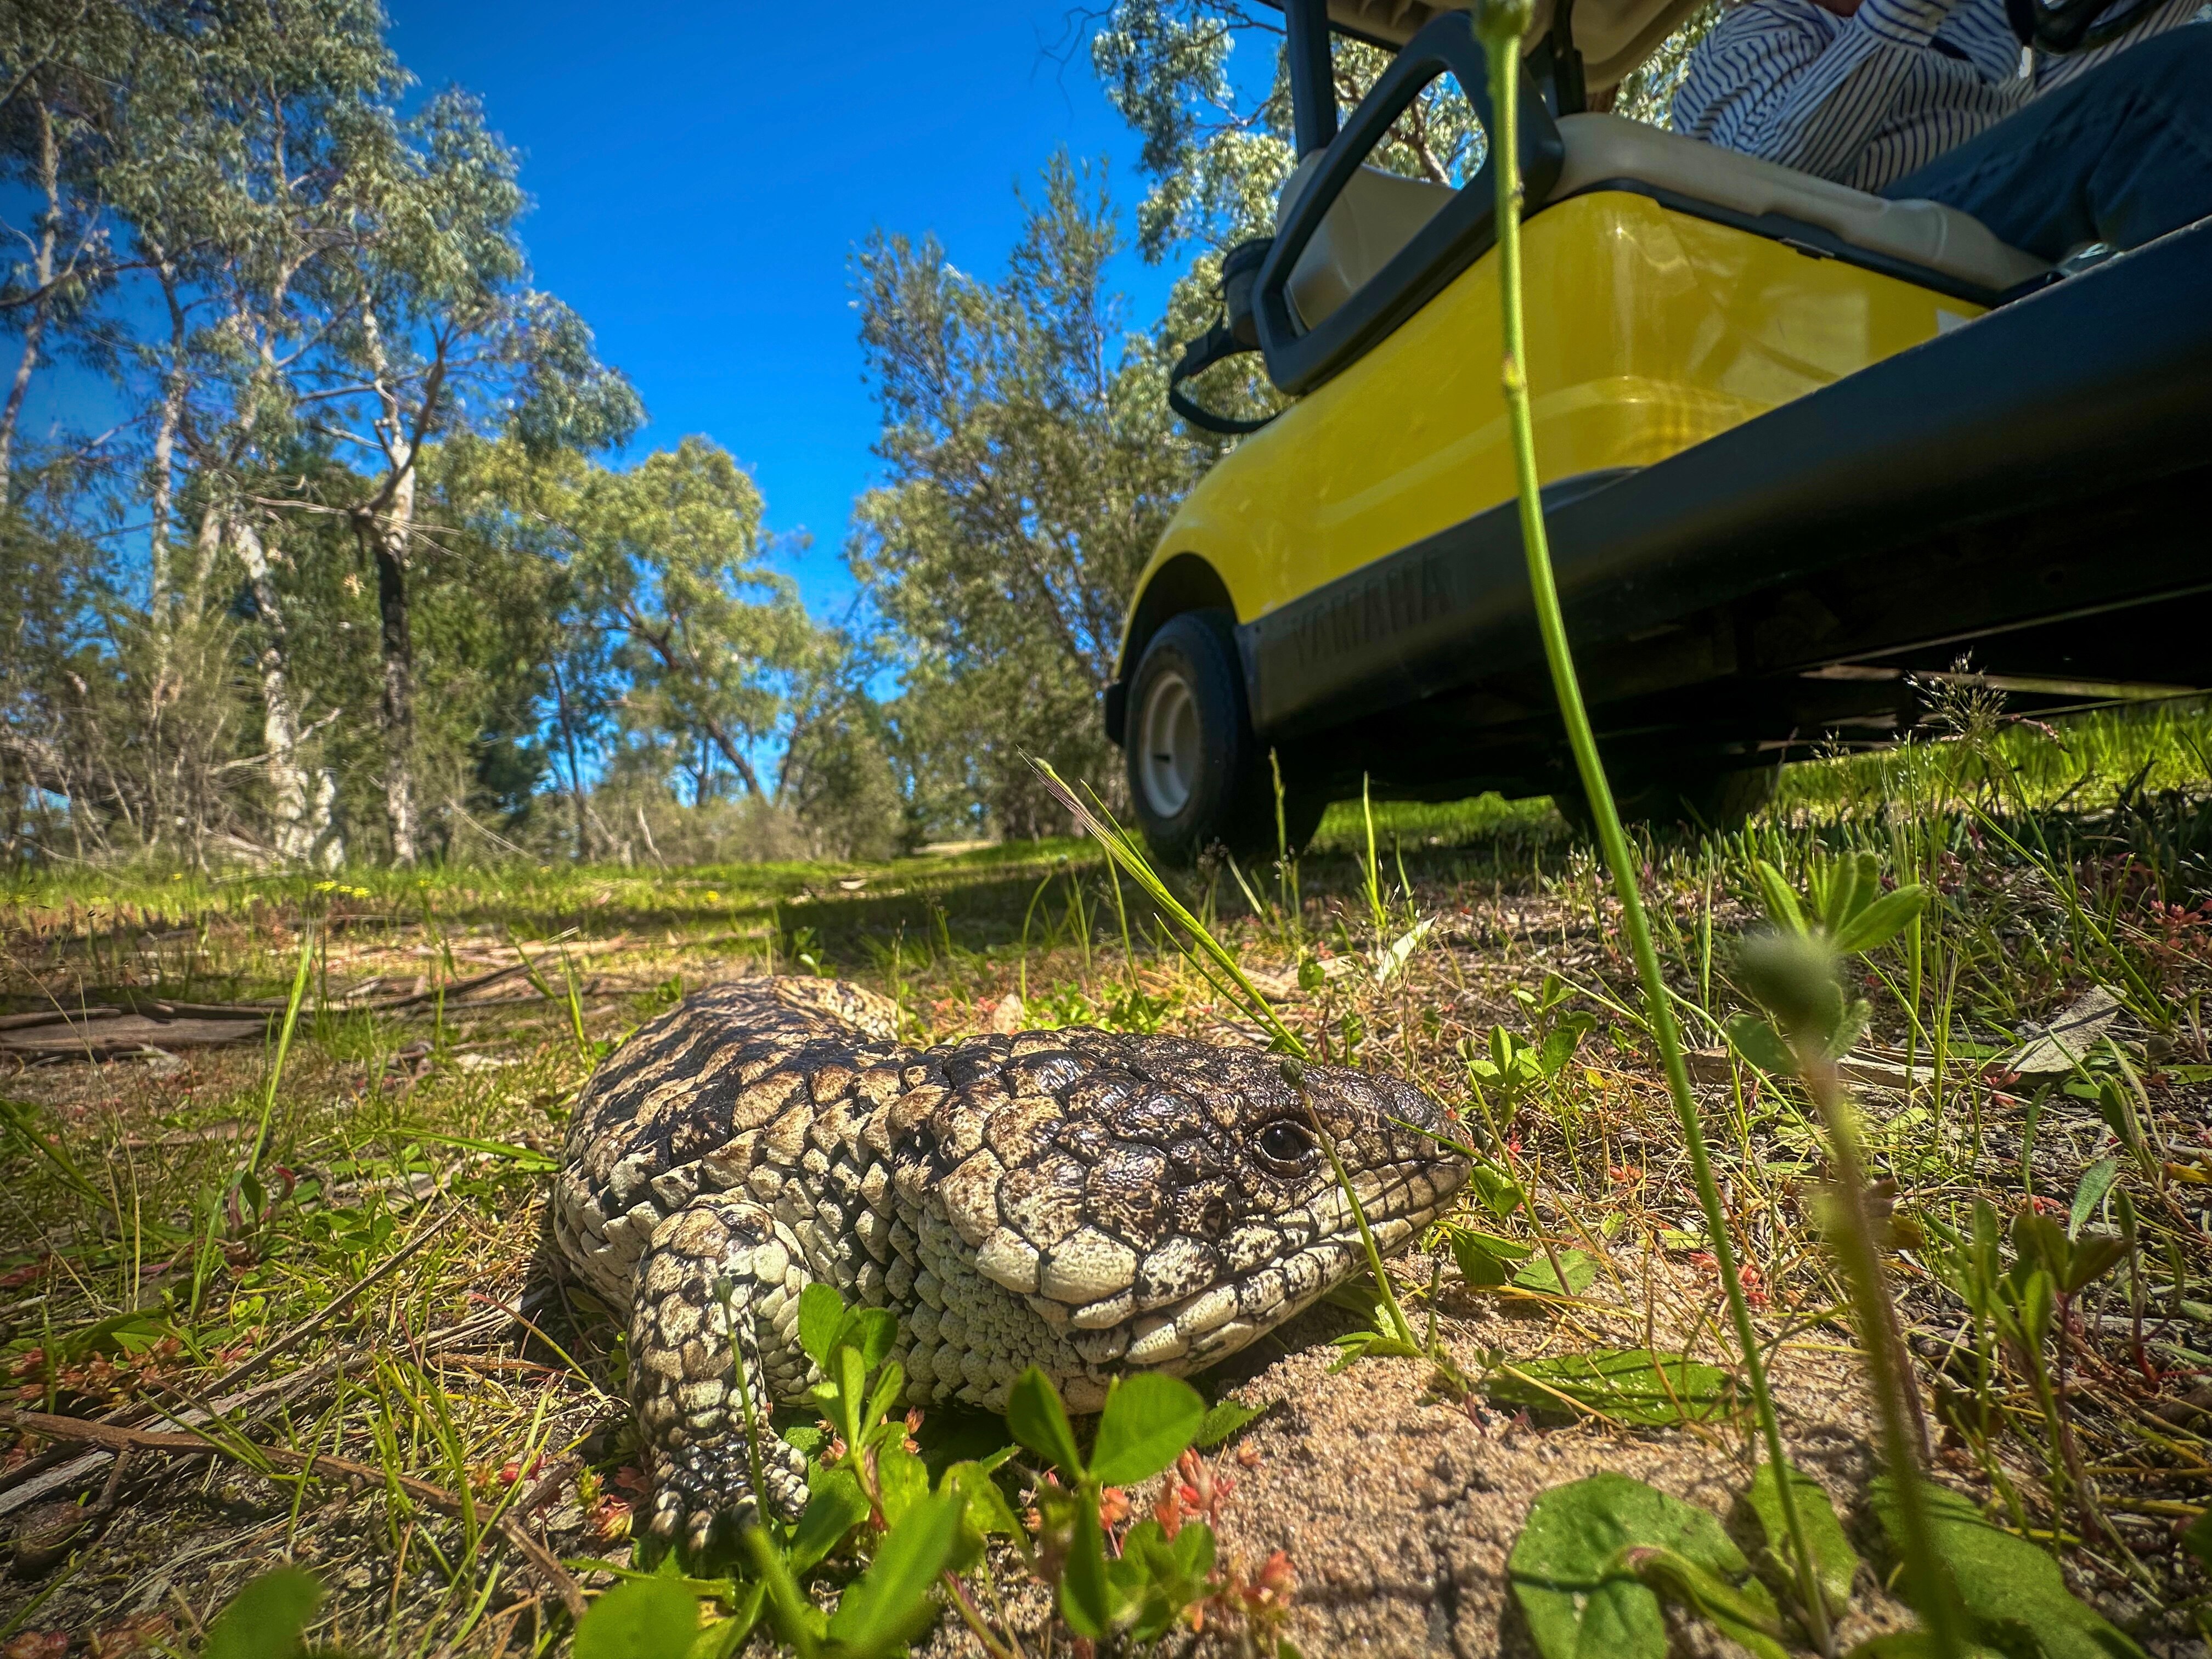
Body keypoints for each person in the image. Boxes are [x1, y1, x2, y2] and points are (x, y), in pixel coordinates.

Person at [1672, 0, 2212, 261]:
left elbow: (2071, 86)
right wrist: (1901, 10)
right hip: (1849, 265)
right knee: (2163, 91)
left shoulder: (1970, 27)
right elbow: (1759, 191)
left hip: (1996, 232)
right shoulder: (1754, 29)